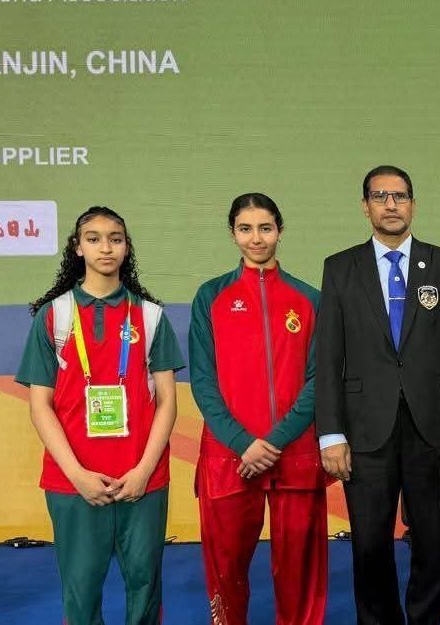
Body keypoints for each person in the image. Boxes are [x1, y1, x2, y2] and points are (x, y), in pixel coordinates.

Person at [315, 166, 440, 624]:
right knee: (368, 543)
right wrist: (331, 433)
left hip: (434, 428)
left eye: (400, 196)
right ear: (364, 206)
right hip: (365, 430)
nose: (391, 205)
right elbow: (327, 357)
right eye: (380, 196)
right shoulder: (340, 267)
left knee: (432, 540)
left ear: (413, 204)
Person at [15, 206, 184, 625]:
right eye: (93, 238)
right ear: (77, 248)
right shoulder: (54, 316)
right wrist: (76, 474)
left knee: (145, 584)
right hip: (73, 481)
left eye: (116, 238)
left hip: (142, 479)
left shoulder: (150, 316)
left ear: (127, 248)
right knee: (80, 586)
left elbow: (167, 401)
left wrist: (144, 470)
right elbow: (41, 406)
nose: (105, 247)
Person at [188, 193, 330, 625]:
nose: (256, 238)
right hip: (230, 457)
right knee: (226, 569)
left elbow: (317, 380)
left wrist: (274, 441)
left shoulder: (309, 299)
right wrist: (243, 443)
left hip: (296, 454)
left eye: (265, 228)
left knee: (300, 573)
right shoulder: (210, 297)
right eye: (245, 229)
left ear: (280, 231)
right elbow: (203, 381)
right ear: (233, 234)